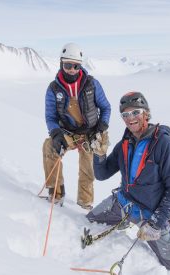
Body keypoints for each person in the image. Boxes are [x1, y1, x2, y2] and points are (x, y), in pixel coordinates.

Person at [86, 91, 170, 273]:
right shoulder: (124, 144)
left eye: (135, 112)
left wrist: (156, 222)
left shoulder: (165, 145)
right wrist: (99, 155)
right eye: (125, 114)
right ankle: (122, 220)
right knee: (89, 222)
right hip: (123, 203)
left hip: (151, 214)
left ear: (146, 113)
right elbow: (102, 174)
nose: (131, 118)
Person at [43, 43, 111, 210]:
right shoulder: (53, 89)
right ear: (61, 64)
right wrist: (56, 133)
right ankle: (56, 194)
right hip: (67, 132)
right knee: (49, 147)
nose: (72, 70)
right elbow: (50, 116)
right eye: (68, 65)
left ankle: (85, 204)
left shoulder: (92, 84)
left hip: (91, 132)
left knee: (88, 169)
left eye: (76, 66)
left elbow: (106, 107)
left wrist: (102, 125)